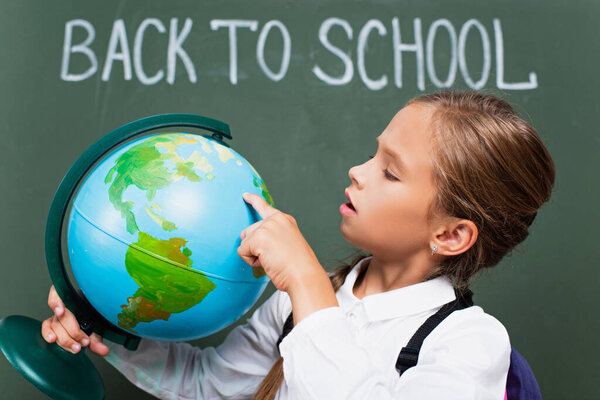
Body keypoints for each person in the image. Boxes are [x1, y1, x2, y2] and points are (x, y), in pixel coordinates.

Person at [41, 90, 555, 400]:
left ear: (450, 234)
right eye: (373, 155)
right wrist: (105, 324)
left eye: (390, 172)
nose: (358, 171)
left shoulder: (470, 342)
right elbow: (206, 386)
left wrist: (309, 286)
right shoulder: (294, 305)